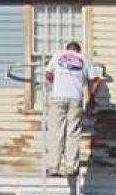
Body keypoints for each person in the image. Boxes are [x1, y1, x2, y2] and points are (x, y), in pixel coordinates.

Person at [43, 41, 103, 176]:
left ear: (67, 49)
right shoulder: (83, 59)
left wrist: (58, 80)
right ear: (78, 50)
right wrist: (91, 97)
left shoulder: (58, 55)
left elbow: (48, 75)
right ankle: (71, 168)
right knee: (73, 133)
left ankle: (53, 167)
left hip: (58, 96)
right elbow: (97, 80)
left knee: (56, 132)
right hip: (75, 98)